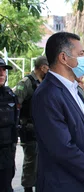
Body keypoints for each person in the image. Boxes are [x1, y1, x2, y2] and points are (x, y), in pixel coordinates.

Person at [31, 32, 84, 192]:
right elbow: (63, 149)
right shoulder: (47, 95)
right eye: (81, 53)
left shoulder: (73, 89)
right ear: (63, 58)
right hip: (65, 184)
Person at [14, 56, 49, 192]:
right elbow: (16, 104)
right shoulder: (26, 82)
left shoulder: (44, 82)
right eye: (48, 67)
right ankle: (28, 188)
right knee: (31, 162)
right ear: (42, 67)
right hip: (29, 128)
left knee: (41, 162)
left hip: (42, 130)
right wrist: (20, 125)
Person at [0, 57, 19, 192]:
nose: (1, 73)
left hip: (7, 152)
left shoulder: (9, 94)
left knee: (6, 186)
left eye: (3, 70)